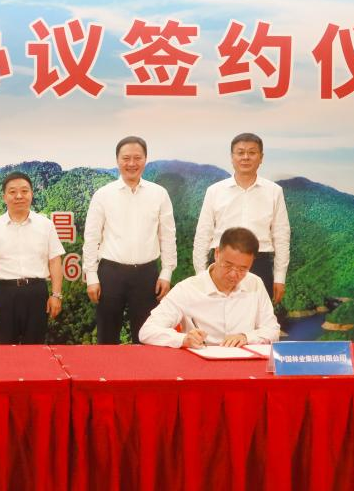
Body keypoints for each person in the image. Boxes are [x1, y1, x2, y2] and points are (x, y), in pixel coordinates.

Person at [82, 135, 178, 344]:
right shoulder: (103, 194)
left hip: (147, 275)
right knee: (107, 336)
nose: (131, 163)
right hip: (110, 273)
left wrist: (166, 272)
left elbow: (168, 236)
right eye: (126, 158)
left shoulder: (159, 194)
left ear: (145, 159)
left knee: (146, 337)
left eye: (137, 158)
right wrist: (91, 276)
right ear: (117, 160)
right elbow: (91, 238)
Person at [140, 227, 279, 348]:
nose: (233, 274)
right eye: (228, 265)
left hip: (244, 363)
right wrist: (183, 339)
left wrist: (246, 337)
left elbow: (272, 330)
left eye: (242, 269)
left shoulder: (255, 284)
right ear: (217, 253)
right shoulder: (188, 289)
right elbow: (147, 331)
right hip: (200, 364)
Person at [192, 132, 290, 303]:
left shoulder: (274, 191)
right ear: (232, 157)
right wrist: (201, 275)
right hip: (222, 263)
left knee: (257, 317)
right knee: (218, 314)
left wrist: (279, 277)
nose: (246, 157)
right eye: (240, 152)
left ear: (261, 157)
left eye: (252, 152)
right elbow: (203, 234)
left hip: (259, 263)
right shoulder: (215, 191)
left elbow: (281, 235)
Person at [0, 171, 65, 344]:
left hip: (37, 293)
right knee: (4, 349)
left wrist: (56, 295)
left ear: (32, 194)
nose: (19, 196)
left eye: (24, 191)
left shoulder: (46, 225)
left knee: (35, 347)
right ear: (4, 197)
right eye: (12, 192)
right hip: (4, 294)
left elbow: (54, 261)